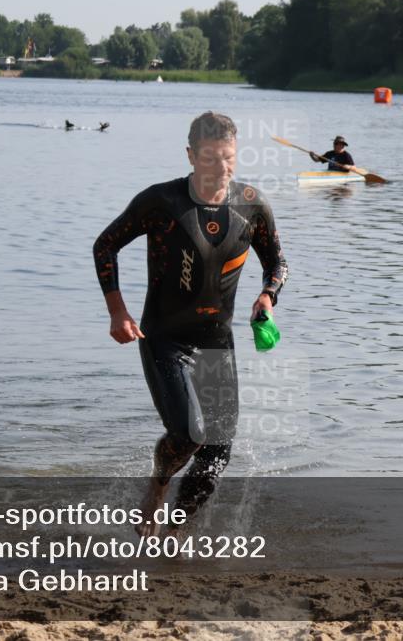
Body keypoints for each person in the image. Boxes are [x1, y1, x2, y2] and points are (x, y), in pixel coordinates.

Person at [93, 111, 288, 536]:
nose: (221, 168)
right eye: (210, 158)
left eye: (229, 158)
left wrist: (267, 296)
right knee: (188, 435)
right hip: (164, 339)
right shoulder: (161, 202)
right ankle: (159, 482)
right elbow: (105, 245)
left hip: (216, 341)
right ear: (190, 155)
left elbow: (277, 263)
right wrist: (117, 312)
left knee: (217, 453)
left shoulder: (251, 204)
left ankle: (173, 534)